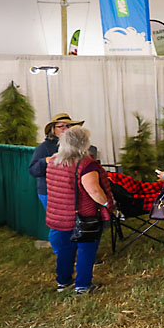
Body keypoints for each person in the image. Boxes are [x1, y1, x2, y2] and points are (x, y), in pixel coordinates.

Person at [45, 125, 113, 294]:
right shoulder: (85, 164)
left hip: (58, 216)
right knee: (86, 250)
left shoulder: (53, 160)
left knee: (64, 250)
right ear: (84, 143)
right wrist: (107, 204)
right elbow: (94, 191)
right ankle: (83, 285)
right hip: (82, 217)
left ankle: (63, 282)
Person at [29, 112, 83, 209]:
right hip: (50, 193)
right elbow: (33, 170)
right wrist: (45, 161)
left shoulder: (75, 145)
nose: (65, 129)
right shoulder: (44, 147)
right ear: (53, 130)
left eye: (68, 126)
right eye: (60, 126)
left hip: (70, 190)